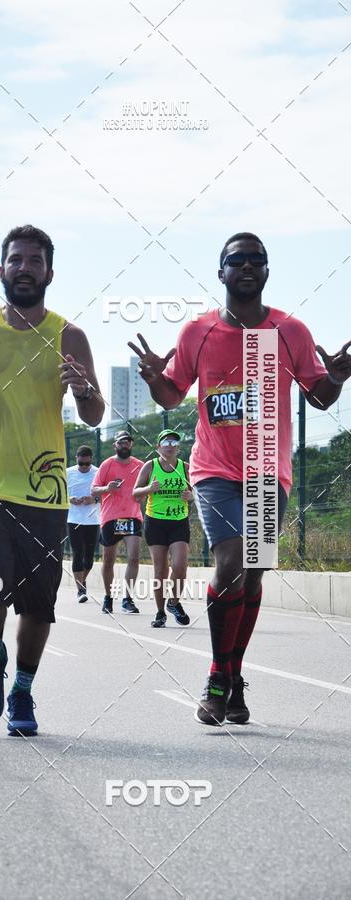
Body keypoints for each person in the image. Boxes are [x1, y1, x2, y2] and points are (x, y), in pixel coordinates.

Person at [130, 232, 351, 726]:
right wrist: (151, 377)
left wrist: (335, 377)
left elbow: (319, 398)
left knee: (253, 573)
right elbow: (171, 396)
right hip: (213, 469)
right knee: (231, 559)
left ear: (267, 271)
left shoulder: (289, 331)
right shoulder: (198, 333)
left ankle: (234, 675)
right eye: (237, 260)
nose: (247, 266)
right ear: (221, 271)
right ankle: (215, 676)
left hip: (269, 471)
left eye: (257, 260)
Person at [0, 224, 104, 736]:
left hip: (46, 493)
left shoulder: (69, 335)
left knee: (38, 605)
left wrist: (82, 391)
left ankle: (24, 691)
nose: (26, 268)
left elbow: (96, 413)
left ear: (49, 272)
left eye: (35, 261)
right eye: (17, 260)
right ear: (2, 269)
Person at [133, 429, 192, 628]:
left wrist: (191, 495)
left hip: (179, 521)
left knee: (180, 566)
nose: (169, 445)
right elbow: (135, 493)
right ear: (158, 447)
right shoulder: (150, 466)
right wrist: (149, 489)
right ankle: (160, 613)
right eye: (165, 442)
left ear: (178, 448)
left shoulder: (185, 467)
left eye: (174, 442)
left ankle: (173, 603)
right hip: (155, 522)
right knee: (160, 570)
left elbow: (198, 491)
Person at [91, 431, 144, 615]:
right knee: (108, 561)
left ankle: (127, 599)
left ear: (131, 445)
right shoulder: (107, 464)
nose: (125, 445)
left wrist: (144, 493)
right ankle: (108, 596)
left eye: (128, 442)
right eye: (121, 442)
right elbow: (94, 490)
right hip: (110, 517)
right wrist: (107, 488)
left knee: (134, 558)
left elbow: (146, 488)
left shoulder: (140, 466)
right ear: (115, 445)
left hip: (132, 516)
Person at [66, 445, 100, 602]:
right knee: (77, 553)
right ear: (76, 460)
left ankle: (82, 579)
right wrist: (70, 500)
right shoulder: (68, 473)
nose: (84, 467)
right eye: (81, 464)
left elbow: (106, 494)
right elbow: (58, 494)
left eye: (87, 464)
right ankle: (80, 590)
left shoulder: (98, 472)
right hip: (73, 519)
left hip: (93, 519)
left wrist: (94, 499)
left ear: (91, 460)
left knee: (89, 556)